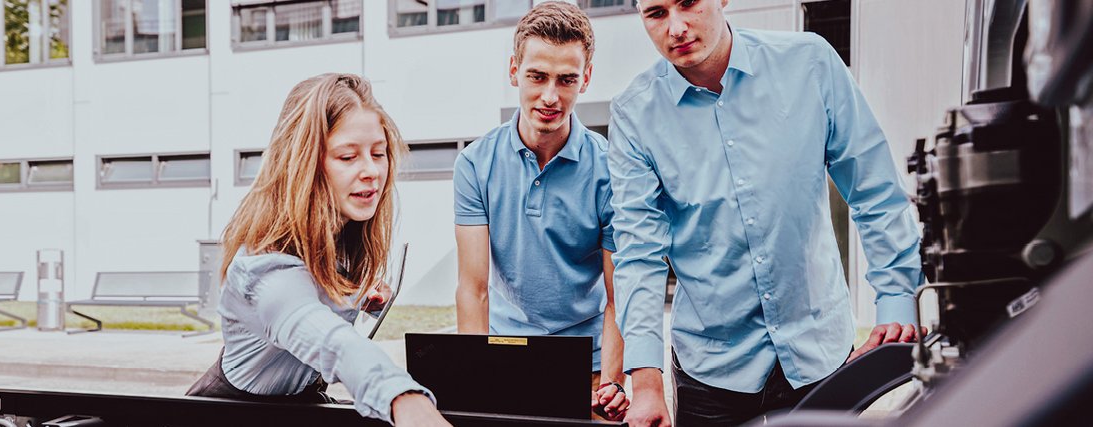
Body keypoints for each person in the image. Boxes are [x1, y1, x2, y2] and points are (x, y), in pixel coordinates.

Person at [608, 1, 925, 426]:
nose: (677, 27)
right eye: (656, 13)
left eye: (688, 3)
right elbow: (638, 254)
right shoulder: (633, 115)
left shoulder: (810, 63)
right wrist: (646, 384)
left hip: (820, 355)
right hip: (711, 370)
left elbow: (875, 191)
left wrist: (897, 301)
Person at [187, 73, 451, 427]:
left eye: (378, 153)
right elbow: (332, 344)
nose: (372, 171)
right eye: (347, 157)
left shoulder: (339, 238)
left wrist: (353, 300)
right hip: (228, 416)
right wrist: (405, 400)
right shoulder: (265, 271)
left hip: (298, 408)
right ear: (305, 165)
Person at [452, 2, 628, 421]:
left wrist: (612, 384)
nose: (550, 96)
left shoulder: (611, 170)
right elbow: (473, 289)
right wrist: (473, 377)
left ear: (585, 79)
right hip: (505, 353)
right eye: (537, 76)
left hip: (589, 363)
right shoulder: (475, 164)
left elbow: (618, 298)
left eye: (566, 79)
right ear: (514, 70)